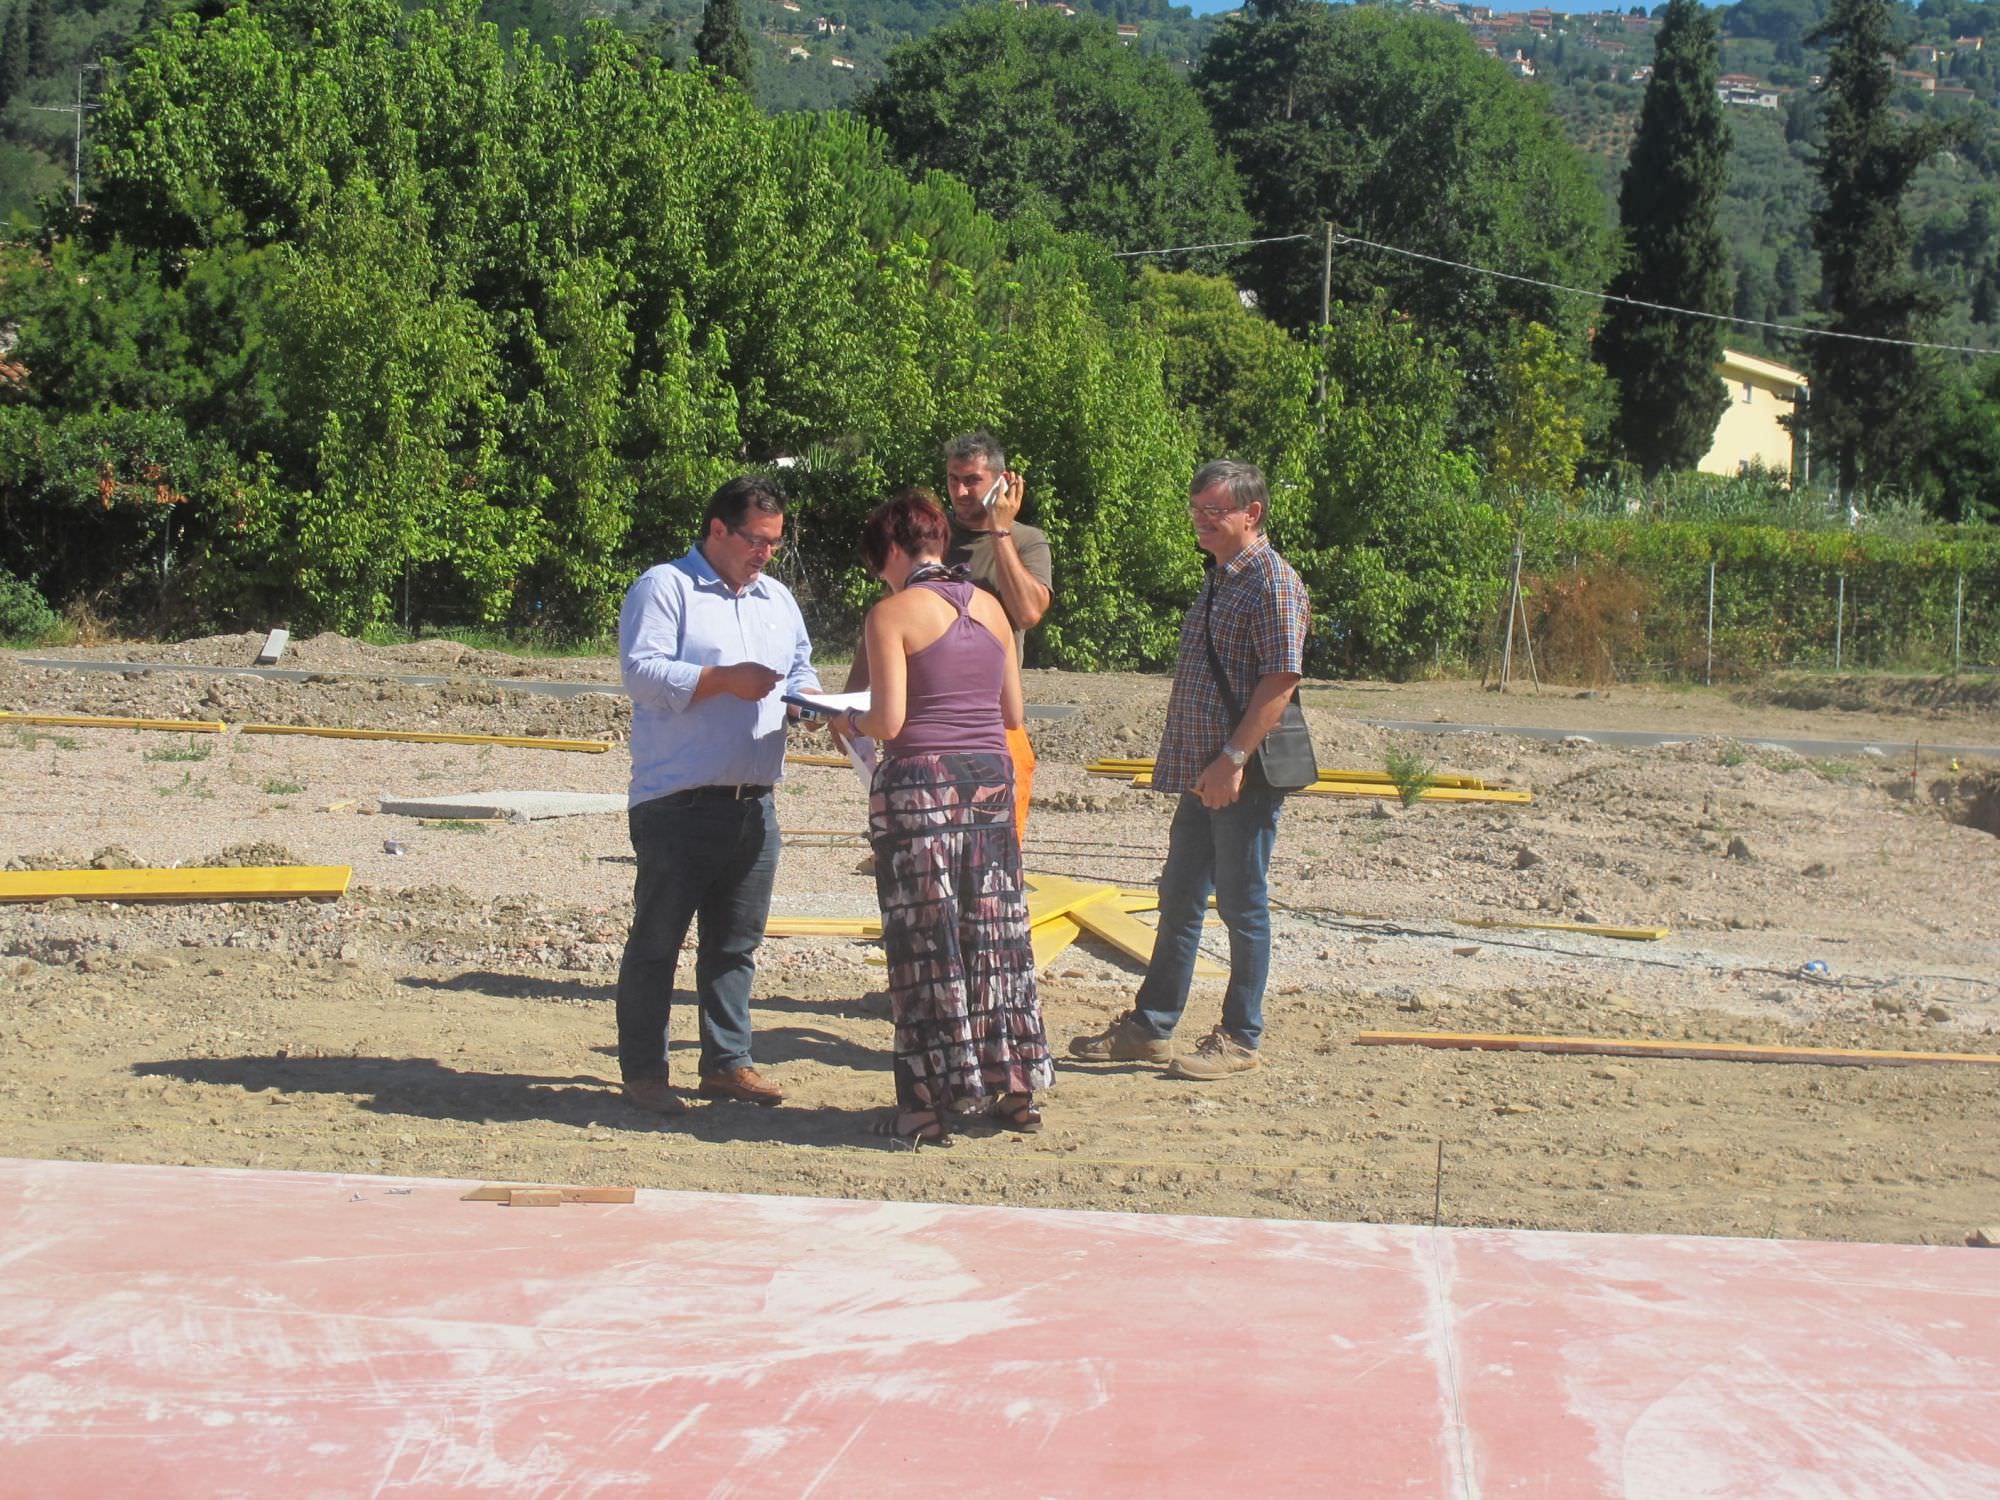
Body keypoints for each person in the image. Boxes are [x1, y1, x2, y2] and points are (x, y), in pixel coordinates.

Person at [1068, 460, 1308, 1082]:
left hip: (1240, 773)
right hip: (1208, 772)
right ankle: (1152, 1028)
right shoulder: (1220, 577)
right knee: (1178, 896)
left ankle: (1240, 1037)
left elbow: (1280, 681)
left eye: (1214, 512)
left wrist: (1232, 760)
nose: (1200, 521)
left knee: (1242, 904)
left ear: (1251, 514)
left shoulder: (1273, 583)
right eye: (1196, 509)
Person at [829, 489, 1052, 1145]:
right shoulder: (993, 609)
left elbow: (889, 721)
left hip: (920, 785)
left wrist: (847, 717)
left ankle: (922, 1108)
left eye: (880, 562)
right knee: (997, 938)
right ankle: (1014, 1093)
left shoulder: (892, 613)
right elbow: (1012, 713)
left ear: (894, 551)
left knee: (925, 944)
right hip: (988, 784)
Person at [613, 475, 821, 1116]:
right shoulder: (665, 587)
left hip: (754, 799)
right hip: (679, 798)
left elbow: (802, 663)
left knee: (736, 944)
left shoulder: (777, 599)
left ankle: (728, 1064)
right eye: (756, 541)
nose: (766, 554)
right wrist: (722, 679)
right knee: (658, 941)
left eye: (775, 544)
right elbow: (641, 673)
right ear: (718, 531)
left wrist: (810, 703)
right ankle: (645, 1073)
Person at [846, 433, 1052, 847]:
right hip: (923, 720)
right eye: (953, 479)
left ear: (1002, 481)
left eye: (972, 480)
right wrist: (851, 696)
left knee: (993, 851)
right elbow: (887, 619)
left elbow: (1029, 613)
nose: (959, 491)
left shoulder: (1026, 540)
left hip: (989, 719)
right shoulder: (932, 537)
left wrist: (1001, 533)